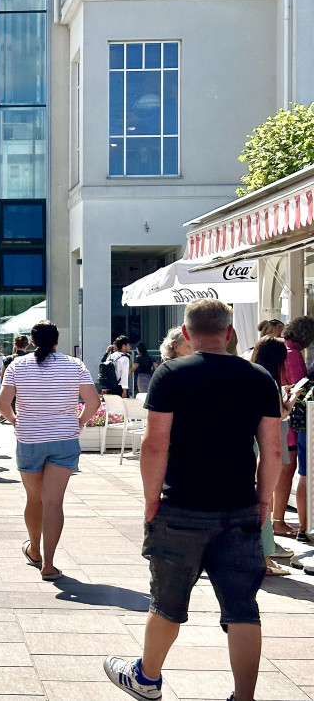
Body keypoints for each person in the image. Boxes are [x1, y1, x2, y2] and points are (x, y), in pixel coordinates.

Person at [104, 300, 282, 701]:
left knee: (166, 600)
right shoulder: (259, 378)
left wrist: (151, 500)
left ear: (186, 333)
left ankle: (147, 679)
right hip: (239, 507)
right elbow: (271, 451)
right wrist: (264, 502)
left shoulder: (171, 373)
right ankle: (244, 697)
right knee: (242, 607)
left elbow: (155, 446)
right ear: (229, 332)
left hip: (181, 505)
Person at [0, 320, 100, 582]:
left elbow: (2, 403)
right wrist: (77, 422)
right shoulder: (75, 365)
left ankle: (34, 550)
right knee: (54, 502)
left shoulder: (18, 365)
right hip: (64, 439)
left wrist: (16, 420)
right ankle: (50, 564)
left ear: (31, 342)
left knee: (34, 499)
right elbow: (93, 401)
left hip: (30, 438)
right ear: (57, 341)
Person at [250, 336, 301, 575]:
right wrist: (290, 403)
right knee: (263, 499)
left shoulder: (249, 374)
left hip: (244, 442)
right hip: (262, 443)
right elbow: (278, 414)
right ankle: (264, 556)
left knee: (257, 498)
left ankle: (263, 553)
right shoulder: (268, 380)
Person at [271, 315, 314, 541]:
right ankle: (279, 520)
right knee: (287, 471)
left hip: (274, 418)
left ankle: (274, 519)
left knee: (277, 470)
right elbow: (302, 389)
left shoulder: (277, 348)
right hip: (290, 422)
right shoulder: (293, 354)